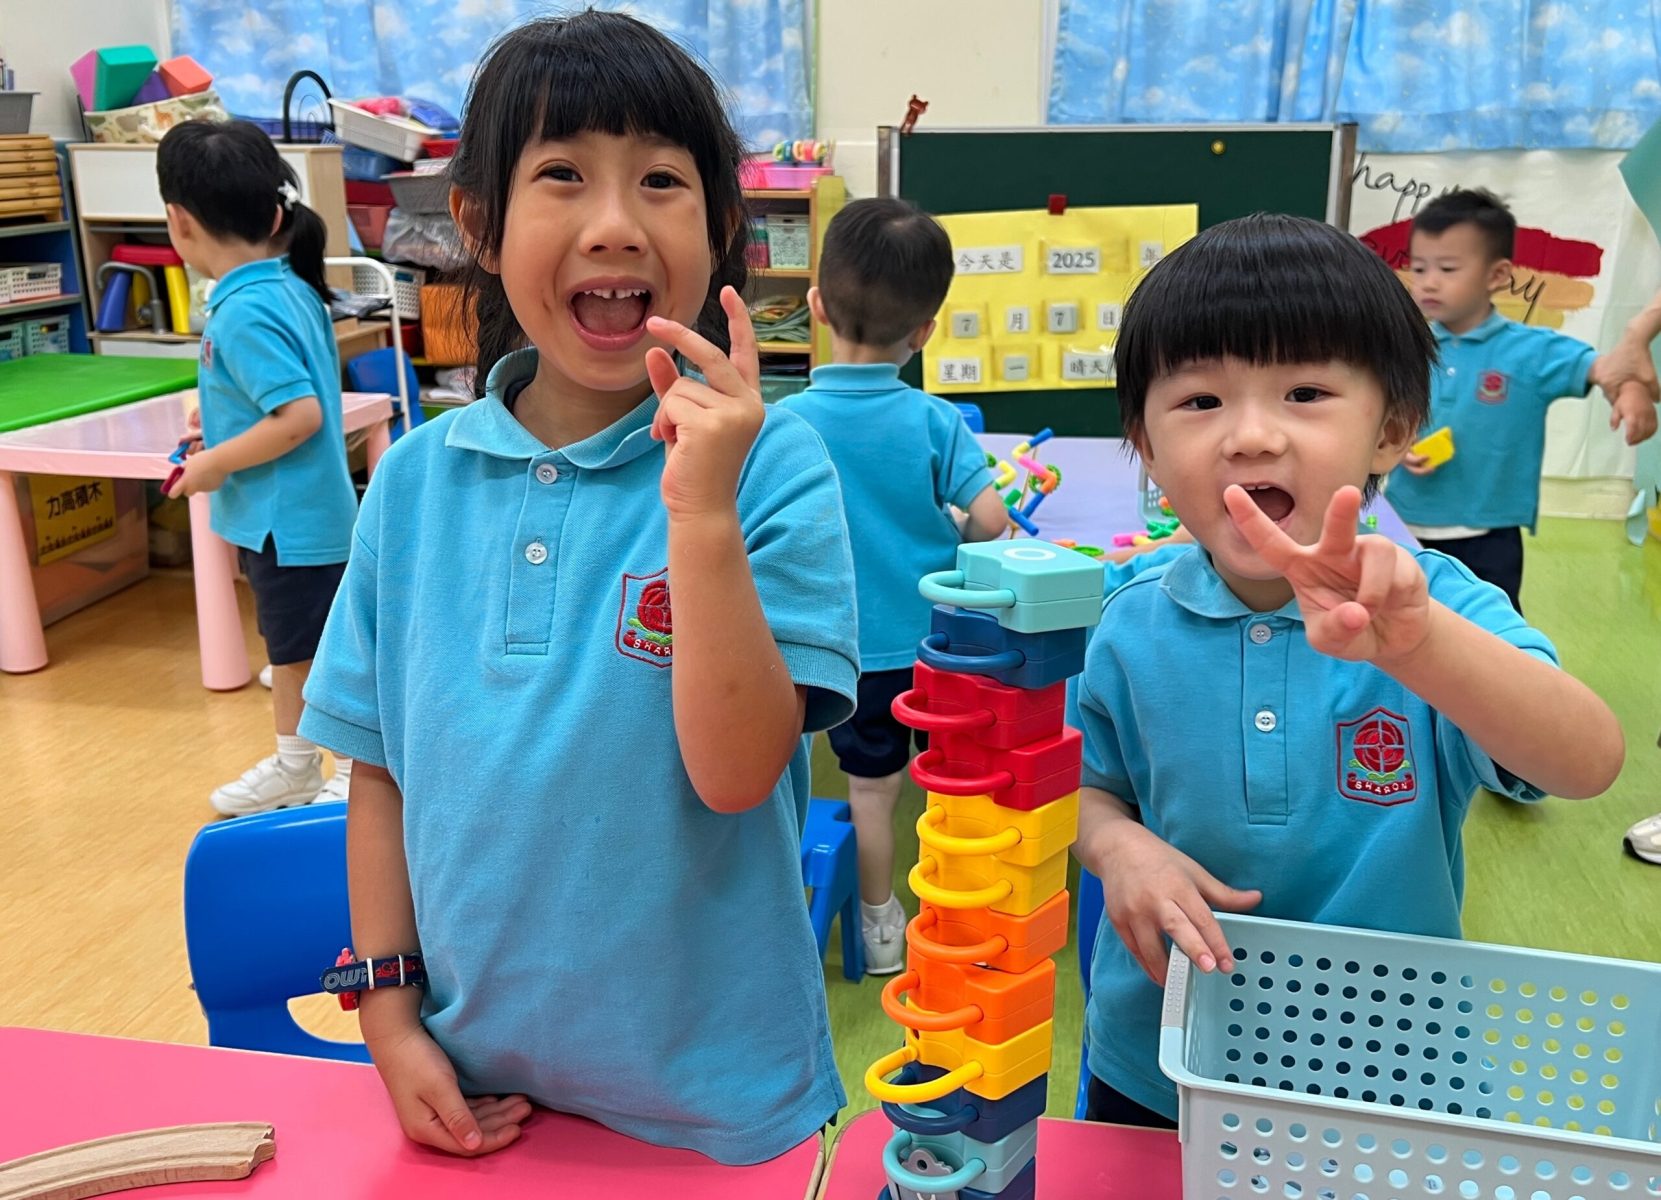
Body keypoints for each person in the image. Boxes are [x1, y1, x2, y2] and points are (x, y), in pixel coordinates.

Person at [297, 12, 858, 1164]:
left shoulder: (772, 466)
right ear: (477, 224)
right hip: (478, 1081)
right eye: (561, 175)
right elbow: (377, 767)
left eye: (660, 180)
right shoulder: (411, 483)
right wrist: (389, 1016)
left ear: (721, 226)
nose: (614, 223)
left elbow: (737, 772)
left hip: (715, 1099)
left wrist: (700, 514)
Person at [1069, 213, 1625, 1128]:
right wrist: (1115, 847)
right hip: (1162, 1060)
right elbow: (1078, 786)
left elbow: (1585, 761)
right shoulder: (1122, 622)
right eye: (1200, 401)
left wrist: (1420, 648)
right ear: (1145, 446)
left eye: (1304, 392)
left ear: (1390, 431)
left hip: (1392, 1073)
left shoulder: (1435, 609)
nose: (1250, 436)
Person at [778, 198, 1009, 974]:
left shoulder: (787, 423)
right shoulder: (934, 421)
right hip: (939, 646)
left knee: (870, 793)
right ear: (925, 331)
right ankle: (961, 920)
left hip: (846, 652)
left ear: (816, 306)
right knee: (952, 790)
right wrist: (956, 534)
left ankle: (879, 927)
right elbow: (992, 519)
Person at [158, 120, 355, 814]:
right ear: (276, 216)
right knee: (298, 651)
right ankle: (298, 766)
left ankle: (350, 774)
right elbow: (272, 399)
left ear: (179, 223)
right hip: (298, 517)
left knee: (312, 656)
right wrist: (215, 428)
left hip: (289, 524)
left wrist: (214, 463)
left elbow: (298, 416)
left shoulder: (241, 312)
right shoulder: (286, 287)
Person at [1385, 188, 1657, 611]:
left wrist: (1632, 391)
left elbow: (1608, 369)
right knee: (1397, 619)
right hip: (1402, 521)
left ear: (1497, 275)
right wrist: (1397, 448)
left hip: (1489, 532)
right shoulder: (1408, 347)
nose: (1429, 281)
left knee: (1491, 628)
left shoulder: (1532, 350)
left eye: (1448, 268)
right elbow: (1378, 417)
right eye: (1419, 268)